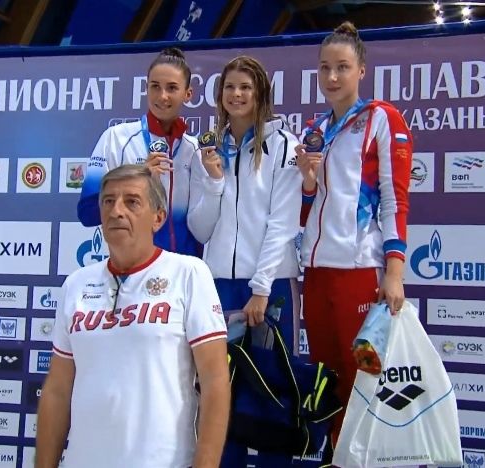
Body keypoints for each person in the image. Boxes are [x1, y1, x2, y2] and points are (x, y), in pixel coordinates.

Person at [37, 165, 230, 468]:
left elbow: (215, 380)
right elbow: (58, 390)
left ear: (158, 218)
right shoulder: (75, 284)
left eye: (132, 202)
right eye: (108, 201)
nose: (117, 211)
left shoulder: (188, 273)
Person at [297, 21, 413, 450]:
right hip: (316, 271)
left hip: (359, 268)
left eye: (342, 67)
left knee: (364, 378)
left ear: (361, 70)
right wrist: (307, 183)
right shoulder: (315, 129)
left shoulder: (381, 118)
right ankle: (336, 456)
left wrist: (394, 272)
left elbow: (394, 200)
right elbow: (306, 211)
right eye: (325, 67)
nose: (332, 76)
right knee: (326, 378)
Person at [187, 55, 302, 467]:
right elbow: (200, 229)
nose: (236, 94)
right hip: (220, 285)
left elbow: (282, 223)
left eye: (245, 87)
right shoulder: (206, 149)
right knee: (222, 395)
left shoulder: (284, 145)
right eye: (229, 87)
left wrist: (261, 287)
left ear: (260, 94)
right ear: (219, 94)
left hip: (270, 287)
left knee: (273, 393)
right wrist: (214, 181)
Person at [77, 47, 202, 256]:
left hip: (181, 267)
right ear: (146, 88)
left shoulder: (195, 150)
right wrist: (138, 181)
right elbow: (87, 213)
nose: (162, 96)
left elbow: (203, 224)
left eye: (172, 88)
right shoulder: (116, 139)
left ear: (187, 94)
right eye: (155, 86)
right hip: (132, 266)